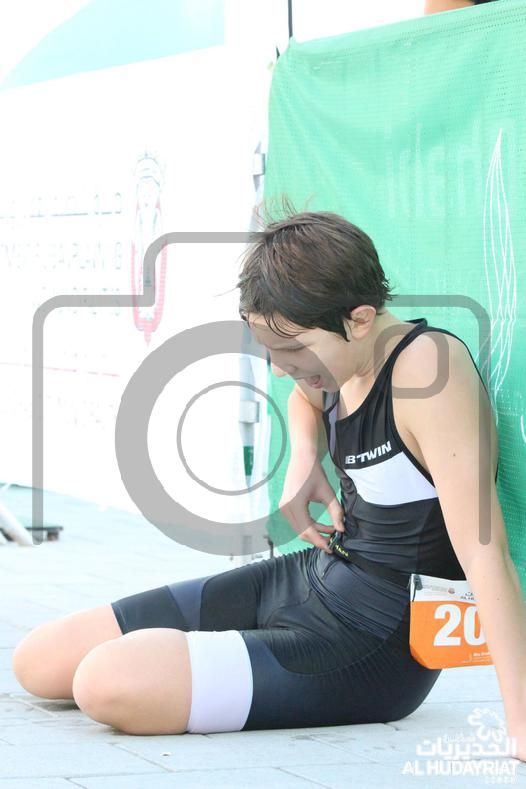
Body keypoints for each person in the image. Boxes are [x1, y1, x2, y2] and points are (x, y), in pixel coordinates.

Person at [11, 205, 518, 746]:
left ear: (360, 318)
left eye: (293, 349)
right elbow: (307, 398)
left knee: (106, 682)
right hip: (307, 579)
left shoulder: (427, 372)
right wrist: (305, 458)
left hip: (370, 644)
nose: (281, 368)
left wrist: (521, 722)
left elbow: (485, 555)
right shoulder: (342, 358)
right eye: (270, 352)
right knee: (41, 661)